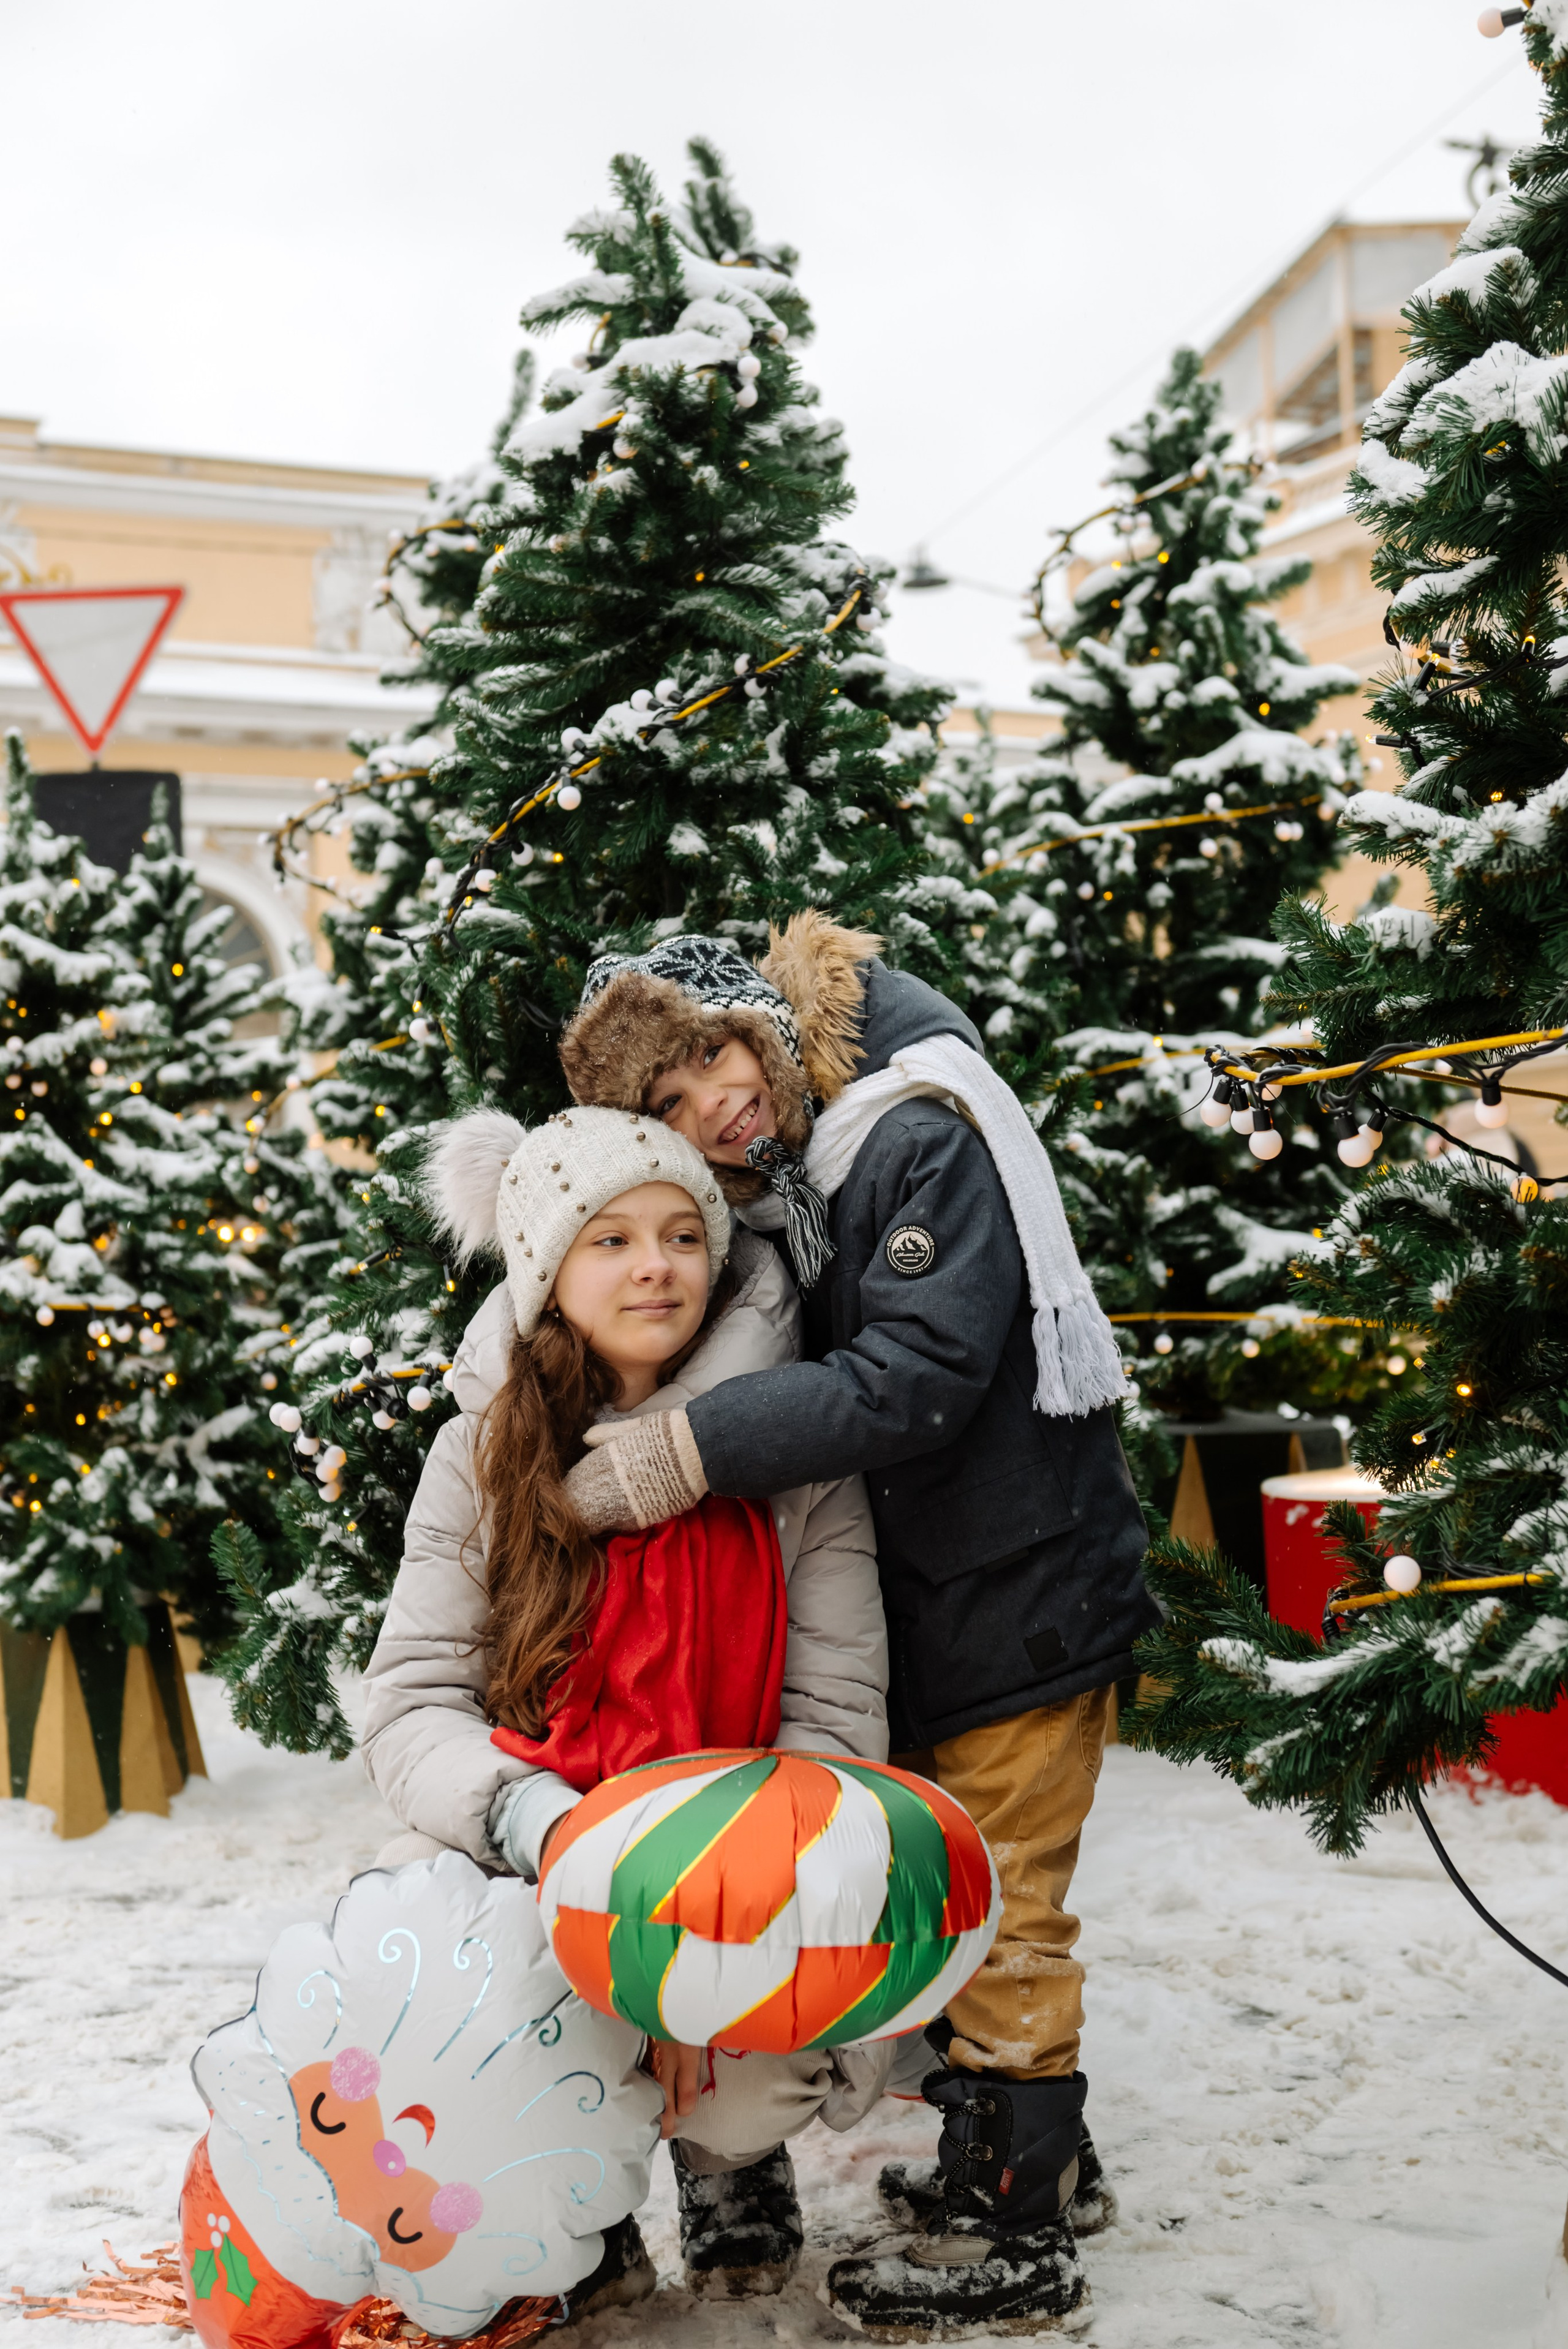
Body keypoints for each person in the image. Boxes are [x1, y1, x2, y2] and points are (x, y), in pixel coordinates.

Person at [557, 913, 1160, 2341]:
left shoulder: (910, 1133)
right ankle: (1032, 2163)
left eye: (710, 1052)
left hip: (1020, 1593)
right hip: (967, 1597)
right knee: (969, 1896)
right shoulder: (814, 1159)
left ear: (755, 1015)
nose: (715, 1099)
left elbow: (917, 1375)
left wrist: (687, 1446)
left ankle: (1011, 2228)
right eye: (665, 1099)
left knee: (1006, 1913)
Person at [359, 1104, 892, 2310]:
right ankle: (562, 2176)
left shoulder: (792, 1454)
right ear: (549, 1271)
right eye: (609, 1240)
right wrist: (532, 1820)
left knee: (755, 2051)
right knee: (421, 1933)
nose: (655, 1266)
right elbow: (411, 1705)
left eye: (680, 1235)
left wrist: (741, 1864)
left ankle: (729, 2157)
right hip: (542, 1842)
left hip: (726, 1848)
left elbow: (835, 1700)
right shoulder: (481, 1454)